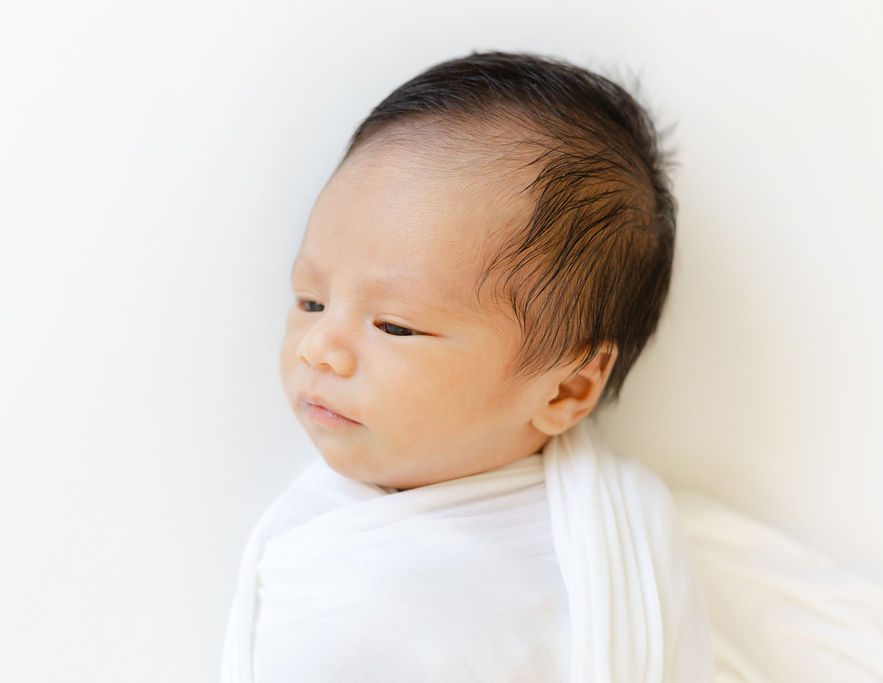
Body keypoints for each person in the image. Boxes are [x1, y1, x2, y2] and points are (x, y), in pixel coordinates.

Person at [222, 51, 714, 682]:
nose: (318, 346)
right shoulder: (334, 549)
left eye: (395, 326)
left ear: (568, 387)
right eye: (310, 300)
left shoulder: (619, 548)